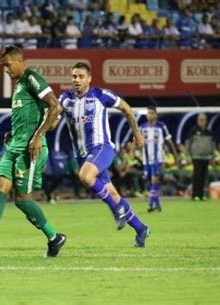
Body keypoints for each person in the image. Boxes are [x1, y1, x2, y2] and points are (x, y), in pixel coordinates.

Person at [0, 45, 66, 257]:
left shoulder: (31, 78)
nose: (5, 70)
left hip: (31, 150)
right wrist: (14, 132)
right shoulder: (18, 85)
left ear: (19, 61)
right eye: (3, 66)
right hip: (14, 146)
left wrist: (37, 137)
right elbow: (29, 115)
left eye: (8, 65)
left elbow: (55, 106)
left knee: (23, 200)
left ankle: (55, 238)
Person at [59, 62, 150, 248]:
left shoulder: (101, 95)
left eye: (81, 76)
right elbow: (54, 116)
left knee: (85, 175)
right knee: (112, 192)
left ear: (89, 79)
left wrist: (137, 132)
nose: (76, 80)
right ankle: (141, 228)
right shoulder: (65, 99)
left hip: (102, 148)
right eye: (74, 76)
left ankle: (117, 211)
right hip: (83, 155)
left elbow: (126, 108)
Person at [139, 105, 178, 212]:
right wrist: (133, 152)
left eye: (152, 113)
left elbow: (169, 141)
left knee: (154, 180)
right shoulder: (142, 127)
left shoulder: (161, 126)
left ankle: (150, 204)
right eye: (148, 113)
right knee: (151, 182)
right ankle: (158, 205)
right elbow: (136, 140)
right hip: (146, 160)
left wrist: (175, 154)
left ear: (156, 115)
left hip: (158, 158)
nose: (149, 115)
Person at [185, 113, 215, 201]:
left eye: (203, 120)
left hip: (206, 157)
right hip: (196, 156)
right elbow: (188, 144)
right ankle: (195, 195)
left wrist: (212, 157)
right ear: (197, 121)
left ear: (206, 121)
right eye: (200, 120)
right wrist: (187, 156)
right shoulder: (193, 131)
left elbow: (212, 145)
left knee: (204, 176)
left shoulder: (209, 132)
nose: (201, 122)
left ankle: (202, 195)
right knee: (197, 176)